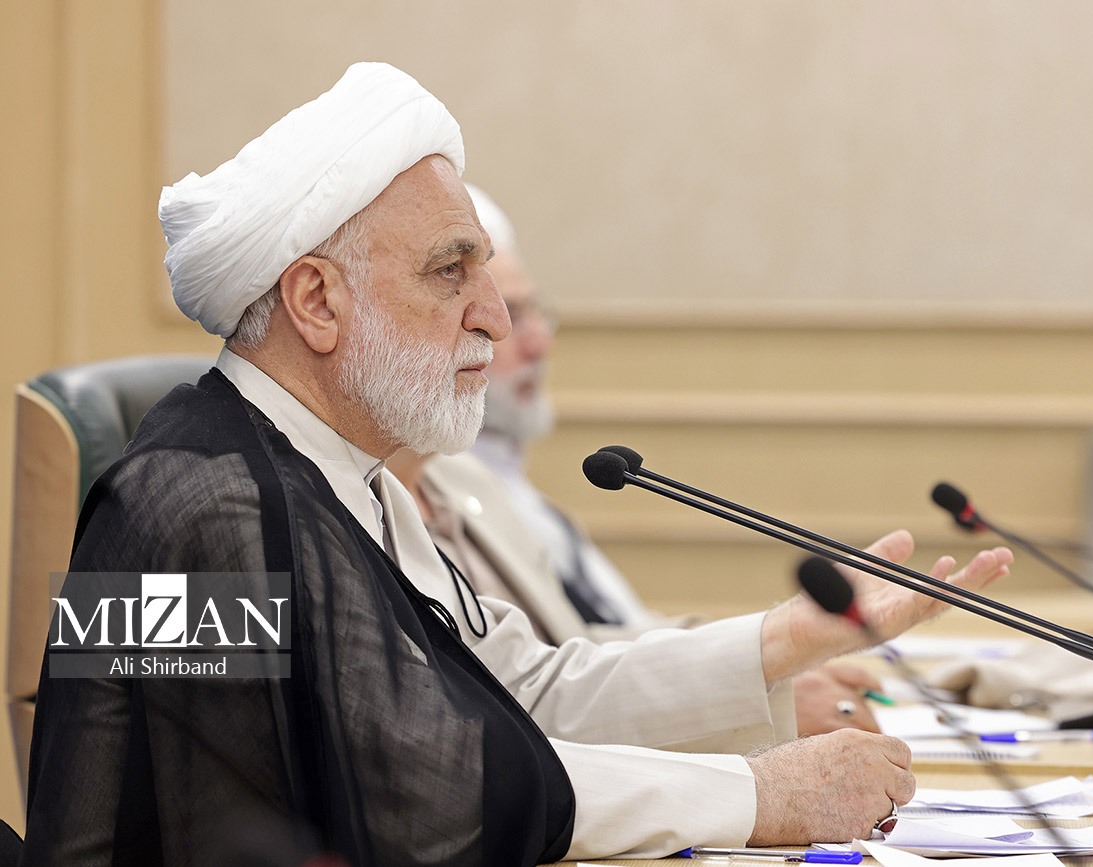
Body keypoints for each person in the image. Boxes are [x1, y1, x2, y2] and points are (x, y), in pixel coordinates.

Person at [21, 63, 1012, 866]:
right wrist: (756, 796)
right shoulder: (193, 507)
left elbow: (517, 696)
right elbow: (421, 798)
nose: (493, 317)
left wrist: (778, 639)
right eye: (450, 270)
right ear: (316, 302)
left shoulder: (344, 478)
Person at [399, 183, 892, 738]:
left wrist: (774, 651)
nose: (516, 337)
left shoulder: (464, 482)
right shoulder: (351, 506)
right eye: (473, 301)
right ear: (327, 306)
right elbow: (510, 709)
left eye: (528, 312)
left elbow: (569, 660)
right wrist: (760, 692)